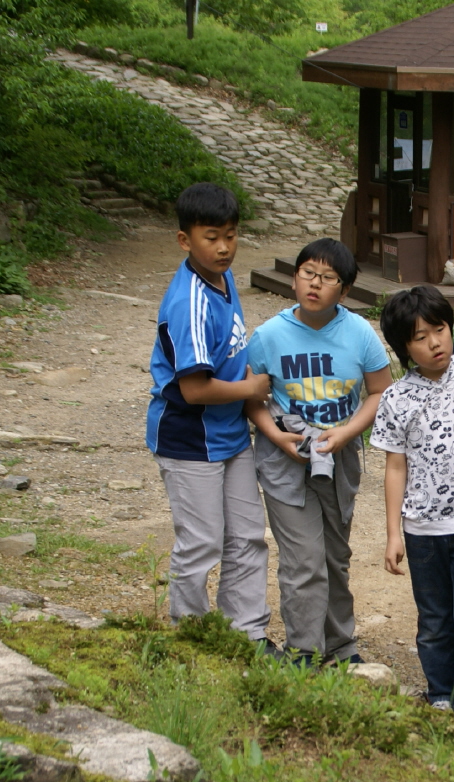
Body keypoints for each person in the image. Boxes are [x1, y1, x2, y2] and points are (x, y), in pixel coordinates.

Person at [245, 238, 393, 666]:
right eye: (308, 273)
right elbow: (253, 397)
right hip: (284, 457)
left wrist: (346, 434)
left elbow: (380, 391)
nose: (315, 284)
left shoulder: (359, 332)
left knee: (335, 556)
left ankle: (342, 648)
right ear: (294, 277)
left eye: (328, 279)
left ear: (344, 291)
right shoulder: (268, 336)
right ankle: (304, 652)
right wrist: (276, 436)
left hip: (339, 456)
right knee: (303, 561)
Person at [146, 182, 274, 646]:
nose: (223, 248)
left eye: (231, 235)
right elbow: (194, 388)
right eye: (211, 237)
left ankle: (246, 635)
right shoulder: (189, 303)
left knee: (246, 537)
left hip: (230, 434)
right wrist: (253, 388)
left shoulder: (222, 278)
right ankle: (193, 638)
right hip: (189, 438)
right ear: (185, 240)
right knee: (201, 542)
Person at [373, 286, 454, 716]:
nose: (434, 342)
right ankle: (438, 696)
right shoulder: (396, 397)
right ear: (403, 347)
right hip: (421, 531)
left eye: (440, 329)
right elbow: (395, 467)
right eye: (419, 337)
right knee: (433, 623)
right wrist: (394, 533)